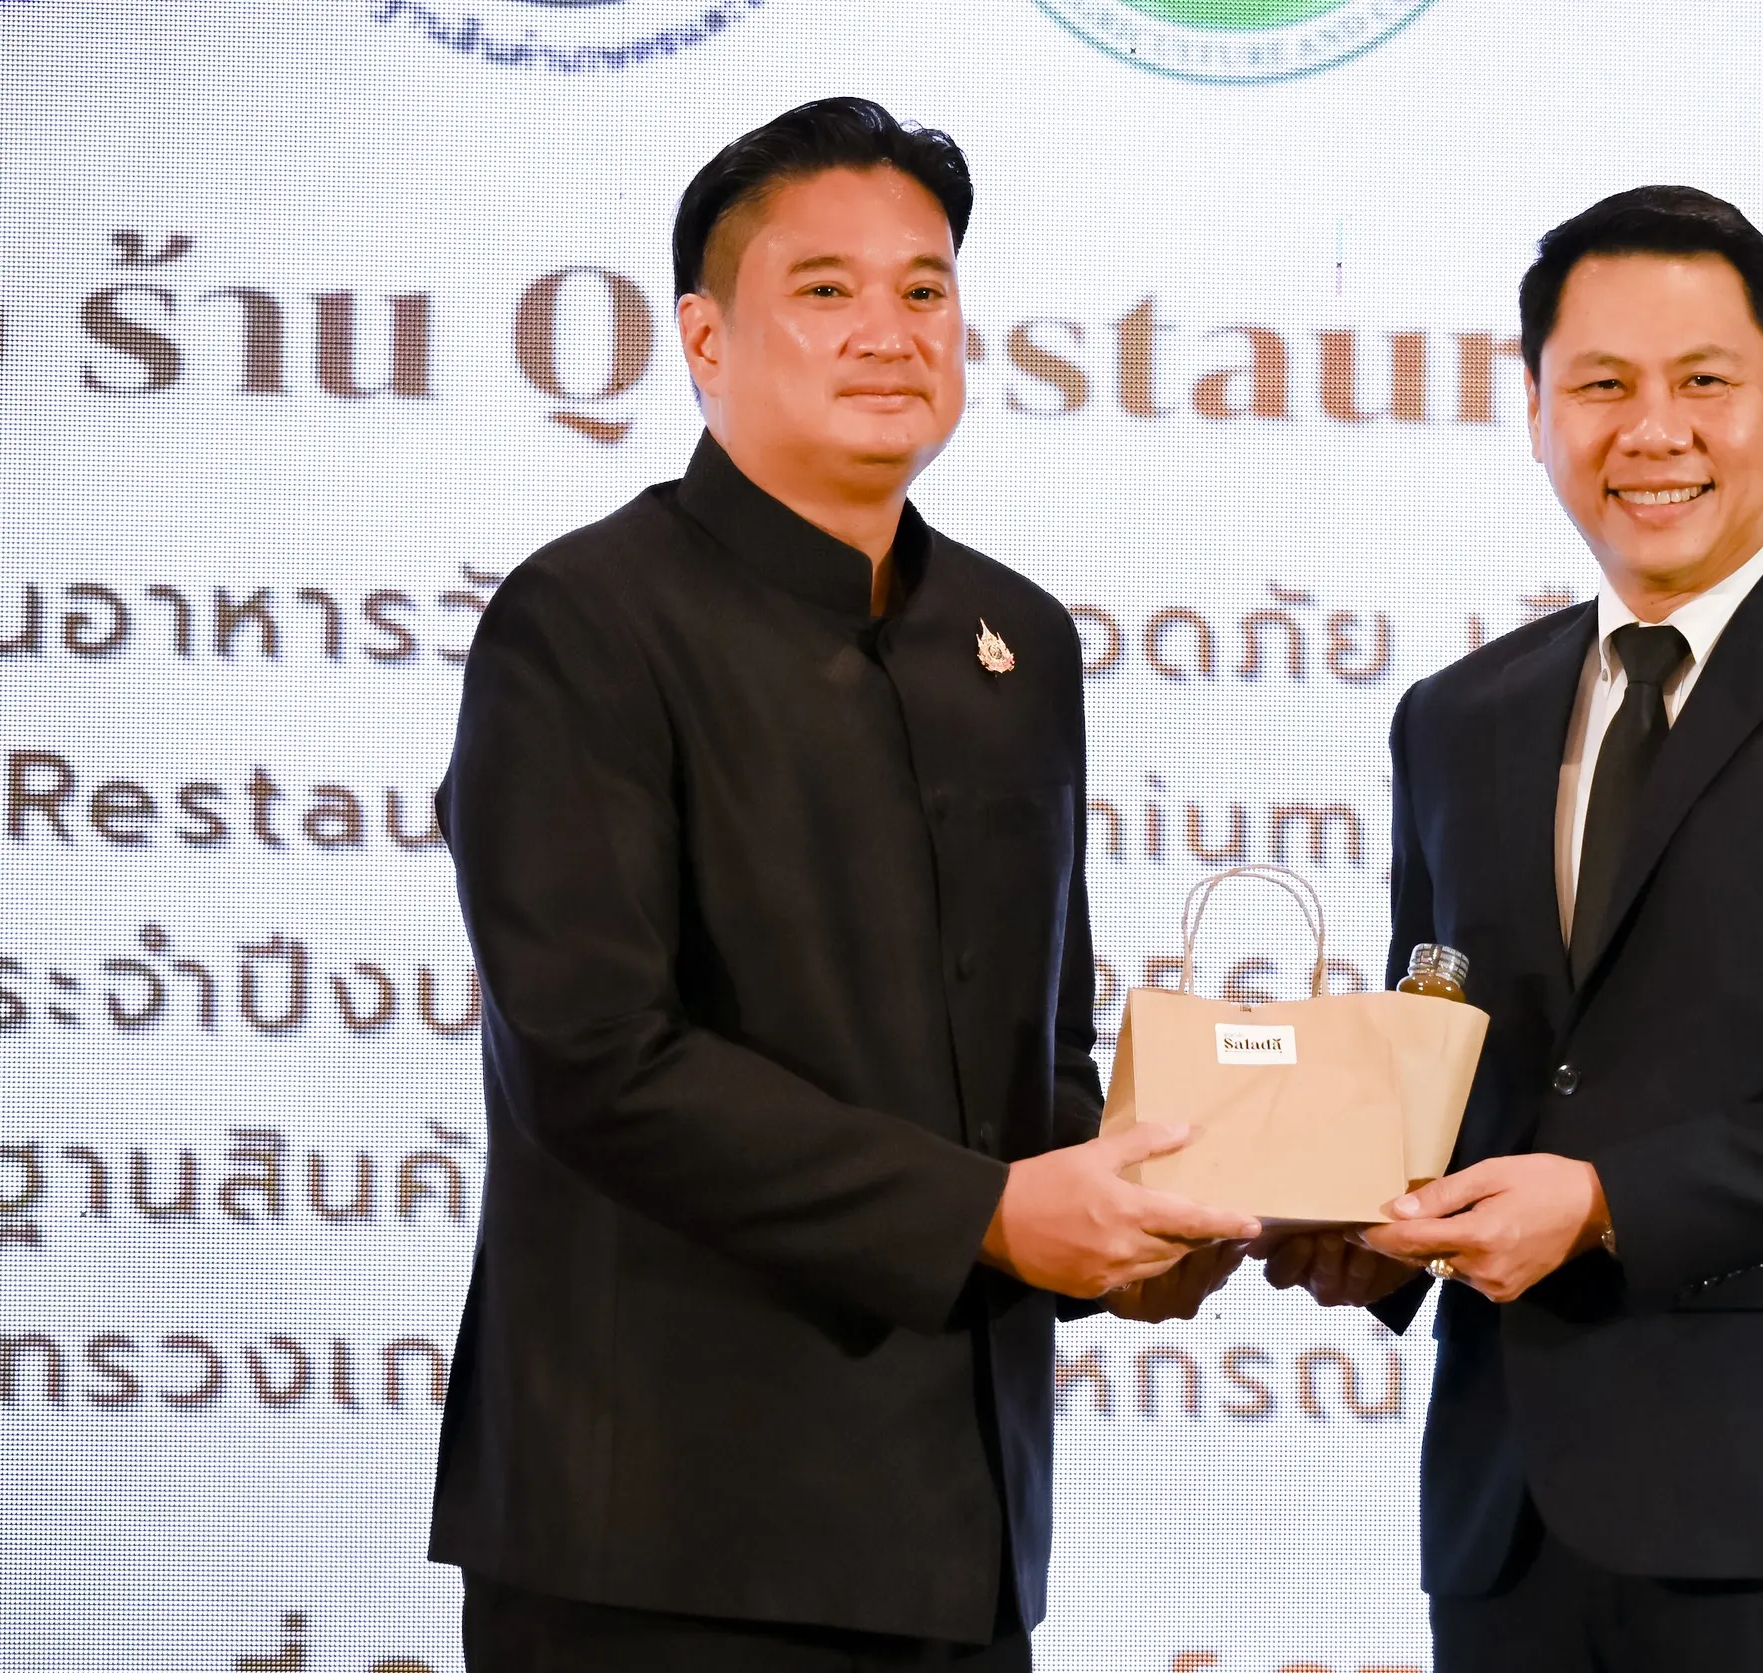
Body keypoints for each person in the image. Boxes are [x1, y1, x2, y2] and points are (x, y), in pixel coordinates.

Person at [428, 97, 1255, 1672]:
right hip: (663, 1550)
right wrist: (998, 1219)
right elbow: (596, 1061)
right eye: (826, 289)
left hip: (961, 1547)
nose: (891, 330)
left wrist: (1134, 1234)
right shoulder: (582, 622)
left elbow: (1033, 1065)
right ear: (705, 337)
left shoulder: (1017, 642)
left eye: (925, 288)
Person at [1263, 186, 1763, 1670]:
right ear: (1535, 410)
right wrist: (1363, 1220)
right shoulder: (1455, 718)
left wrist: (1607, 1203)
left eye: (1704, 381)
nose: (1654, 431)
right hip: (1505, 1525)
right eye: (1602, 386)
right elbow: (1439, 1063)